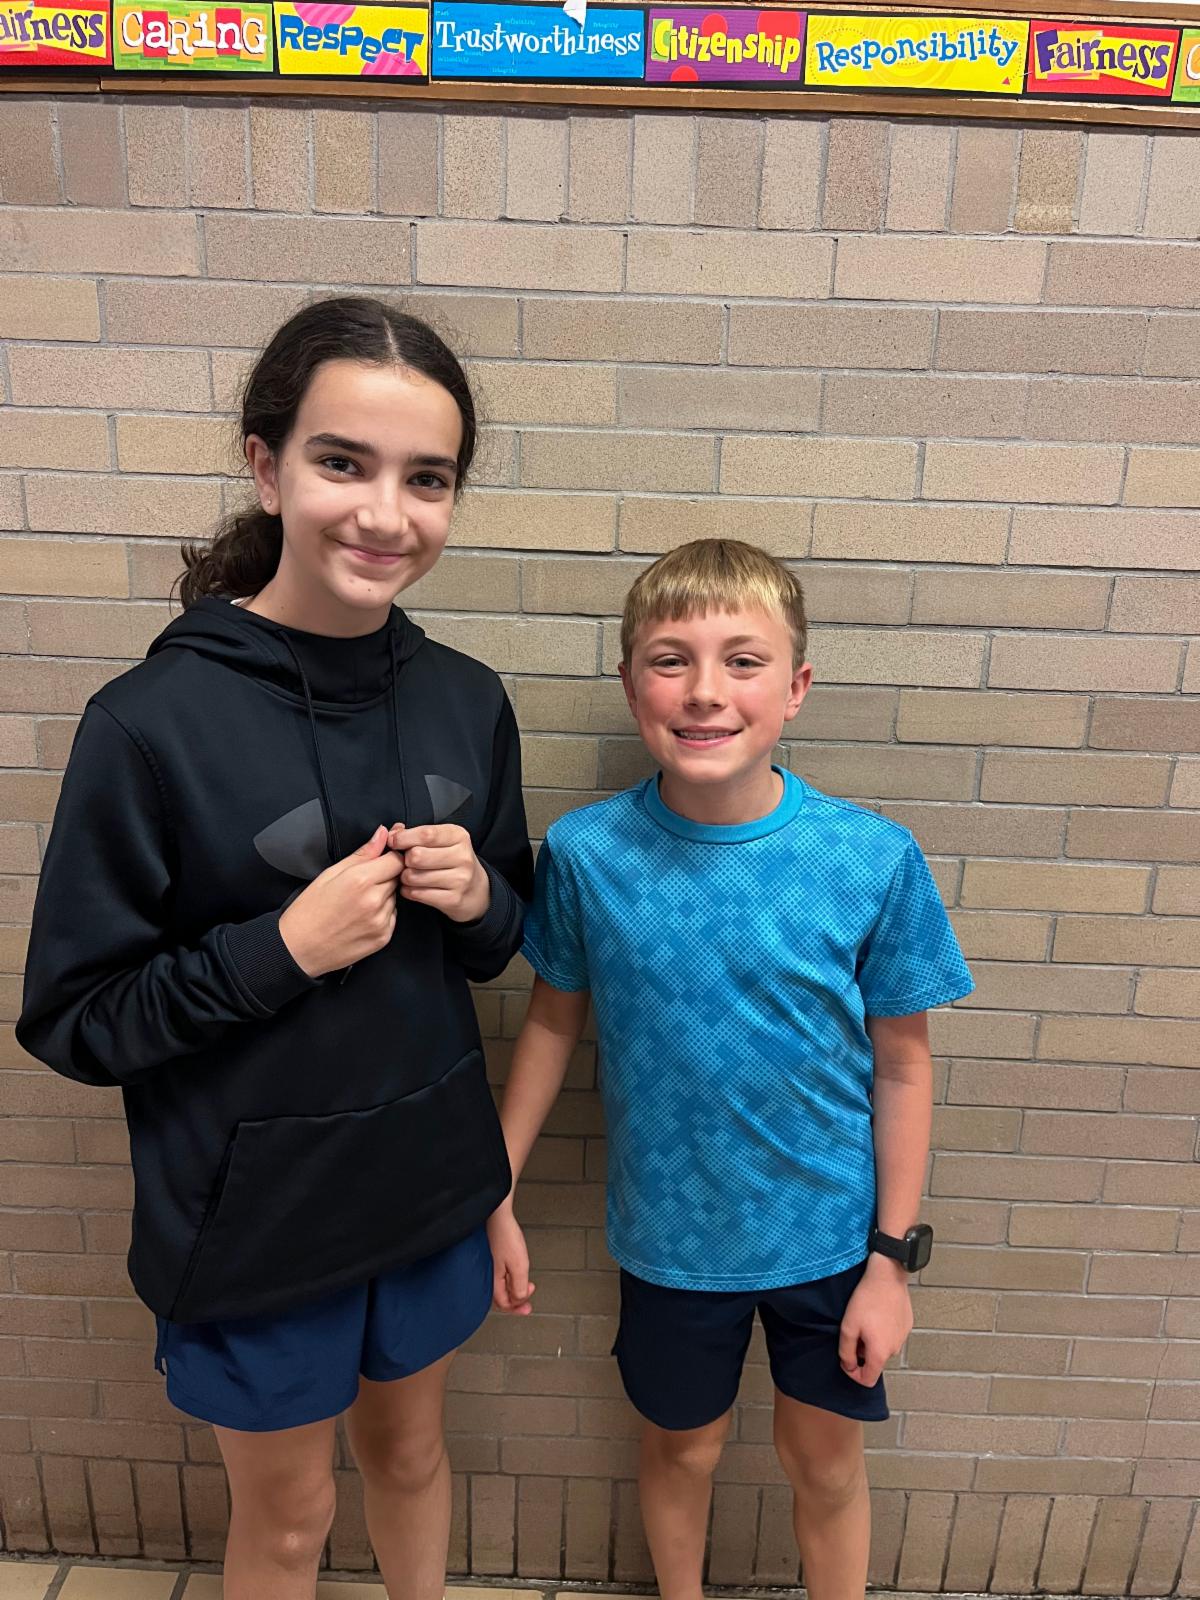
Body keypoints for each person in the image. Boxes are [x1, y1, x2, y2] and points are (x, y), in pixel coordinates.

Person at [18, 297, 533, 1600]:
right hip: (253, 1220)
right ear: (267, 464)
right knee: (291, 1518)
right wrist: (280, 952)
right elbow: (75, 1017)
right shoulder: (150, 722)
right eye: (342, 462)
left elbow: (500, 951)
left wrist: (479, 901)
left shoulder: (469, 700)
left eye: (428, 480)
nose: (385, 514)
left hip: (426, 1189)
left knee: (415, 1463)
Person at [487, 538, 973, 1600]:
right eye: (671, 660)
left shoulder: (871, 858)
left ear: (795, 687)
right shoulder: (585, 852)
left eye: (743, 660)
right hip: (670, 1241)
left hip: (831, 1240)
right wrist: (498, 1188)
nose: (706, 691)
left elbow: (903, 1065)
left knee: (824, 1463)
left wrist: (890, 1262)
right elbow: (554, 1026)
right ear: (630, 684)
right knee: (683, 1452)